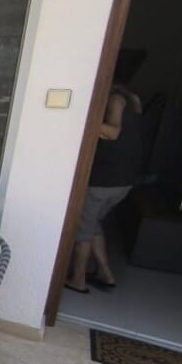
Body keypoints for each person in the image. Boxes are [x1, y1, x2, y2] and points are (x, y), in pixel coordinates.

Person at [66, 81, 143, 293]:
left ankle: (78, 280)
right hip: (124, 182)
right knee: (93, 224)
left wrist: (76, 118)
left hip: (104, 181)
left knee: (82, 231)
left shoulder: (116, 100)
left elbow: (113, 132)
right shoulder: (134, 101)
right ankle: (105, 272)